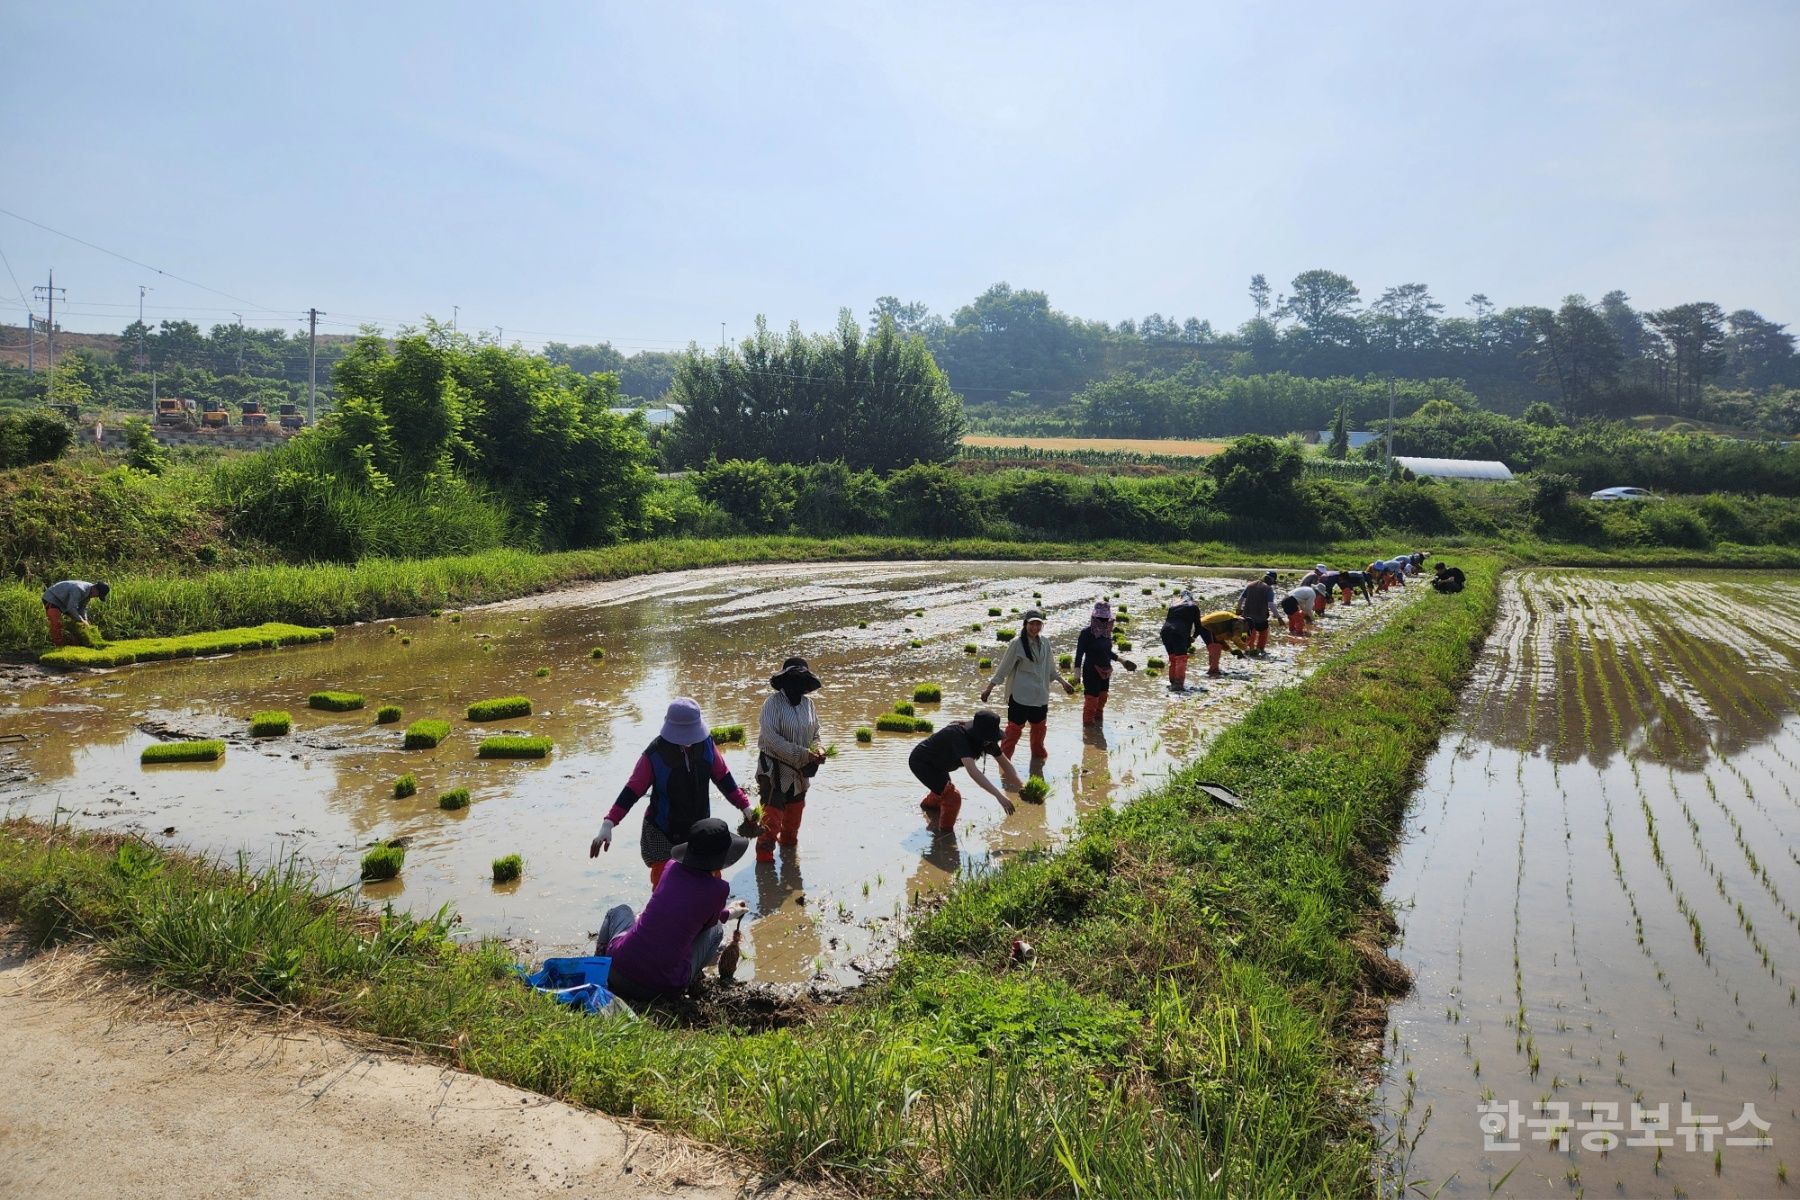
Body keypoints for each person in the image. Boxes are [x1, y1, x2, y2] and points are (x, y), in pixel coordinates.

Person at [592, 698, 753, 886]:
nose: (689, 740)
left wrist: (745, 805)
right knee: (667, 890)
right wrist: (609, 822)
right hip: (663, 833)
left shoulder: (706, 744)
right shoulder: (655, 754)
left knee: (707, 887)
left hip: (700, 831)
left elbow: (723, 776)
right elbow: (632, 790)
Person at [593, 817, 750, 1001]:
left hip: (616, 970)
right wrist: (729, 913)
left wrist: (728, 912)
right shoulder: (719, 889)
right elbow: (708, 924)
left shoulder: (670, 867)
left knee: (618, 911)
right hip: (661, 989)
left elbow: (675, 909)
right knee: (716, 931)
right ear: (722, 858)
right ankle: (693, 982)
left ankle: (598, 965)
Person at [982, 609, 1075, 763]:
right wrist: (989, 689)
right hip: (1020, 697)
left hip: (1040, 696)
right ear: (1025, 624)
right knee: (1013, 732)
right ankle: (1003, 763)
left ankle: (1038, 761)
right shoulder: (1016, 643)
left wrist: (1064, 682)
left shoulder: (1045, 642)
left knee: (1039, 730)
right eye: (1032, 624)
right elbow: (1003, 669)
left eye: (1038, 624)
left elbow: (1050, 669)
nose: (1035, 627)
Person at [754, 656, 823, 863]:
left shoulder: (808, 705)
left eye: (803, 680)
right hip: (774, 771)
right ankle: (764, 865)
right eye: (794, 679)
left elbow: (816, 733)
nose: (799, 684)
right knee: (771, 822)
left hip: (800, 773)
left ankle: (789, 862)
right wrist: (803, 754)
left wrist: (818, 748)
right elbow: (771, 739)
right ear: (784, 680)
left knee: (793, 821)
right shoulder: (772, 704)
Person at [909, 709, 1021, 829]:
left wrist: (1022, 788)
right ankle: (945, 837)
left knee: (942, 794)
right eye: (988, 737)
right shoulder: (958, 736)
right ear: (979, 733)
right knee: (952, 798)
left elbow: (1005, 764)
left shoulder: (986, 741)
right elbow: (972, 771)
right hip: (922, 763)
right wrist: (999, 795)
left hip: (940, 766)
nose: (991, 741)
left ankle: (928, 809)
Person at [1074, 600, 1135, 723]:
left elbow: (1107, 652)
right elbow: (1079, 654)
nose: (1102, 621)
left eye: (1105, 619)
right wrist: (1076, 673)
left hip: (1106, 671)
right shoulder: (1086, 633)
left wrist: (1122, 661)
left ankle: (1098, 728)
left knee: (1102, 699)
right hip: (1091, 671)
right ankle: (1088, 733)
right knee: (1092, 700)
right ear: (1094, 617)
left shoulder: (1107, 633)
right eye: (1099, 618)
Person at [40, 579, 109, 648]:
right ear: (95, 590)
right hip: (53, 598)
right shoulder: (79, 589)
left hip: (66, 602)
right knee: (57, 623)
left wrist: (85, 620)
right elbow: (71, 608)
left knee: (80, 624)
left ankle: (76, 645)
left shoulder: (89, 593)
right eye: (98, 595)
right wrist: (82, 620)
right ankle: (58, 646)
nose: (97, 597)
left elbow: (82, 609)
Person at [1158, 590, 1203, 691]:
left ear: (1181, 598)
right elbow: (1198, 626)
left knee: (1173, 657)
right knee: (1181, 657)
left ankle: (1173, 682)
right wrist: (1194, 637)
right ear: (1191, 599)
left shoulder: (1173, 605)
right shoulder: (1194, 606)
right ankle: (1178, 684)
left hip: (1165, 631)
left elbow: (1170, 620)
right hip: (1178, 632)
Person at [1198, 610, 1251, 676]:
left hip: (1203, 625)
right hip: (1206, 626)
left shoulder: (1230, 624)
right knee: (1215, 647)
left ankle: (1212, 668)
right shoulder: (1240, 622)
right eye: (1246, 631)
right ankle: (1213, 670)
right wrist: (1246, 648)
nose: (1244, 632)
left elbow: (1219, 640)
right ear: (1247, 625)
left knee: (1215, 646)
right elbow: (1236, 639)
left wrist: (1231, 651)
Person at [1236, 571, 1276, 655]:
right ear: (1271, 581)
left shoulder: (1250, 585)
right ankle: (1260, 649)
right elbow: (1271, 604)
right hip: (1260, 617)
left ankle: (1245, 647)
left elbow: (1240, 600)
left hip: (1246, 615)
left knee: (1245, 632)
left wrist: (1238, 609)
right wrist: (1278, 617)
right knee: (1263, 632)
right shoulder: (1268, 589)